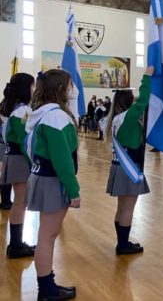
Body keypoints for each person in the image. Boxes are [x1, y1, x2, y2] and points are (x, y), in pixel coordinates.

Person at [25, 69, 81, 300]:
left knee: (47, 235)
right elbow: (62, 159)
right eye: (70, 85)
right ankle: (47, 291)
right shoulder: (56, 117)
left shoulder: (42, 113)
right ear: (61, 88)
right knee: (47, 237)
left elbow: (27, 148)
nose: (72, 90)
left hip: (42, 176)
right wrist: (73, 189)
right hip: (52, 181)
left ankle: (47, 286)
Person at [104, 66, 154, 256]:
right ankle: (123, 245)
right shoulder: (128, 118)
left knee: (121, 207)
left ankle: (122, 242)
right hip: (129, 168)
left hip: (118, 167)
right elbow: (143, 101)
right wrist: (146, 78)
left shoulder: (116, 118)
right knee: (128, 209)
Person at [1, 73, 35, 258]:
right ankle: (15, 245)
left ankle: (16, 243)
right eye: (32, 86)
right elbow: (25, 142)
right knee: (20, 203)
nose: (34, 90)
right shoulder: (22, 111)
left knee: (19, 203)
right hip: (19, 159)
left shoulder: (14, 108)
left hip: (13, 157)